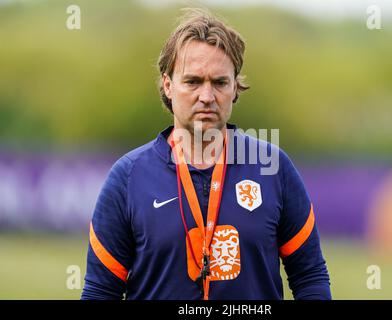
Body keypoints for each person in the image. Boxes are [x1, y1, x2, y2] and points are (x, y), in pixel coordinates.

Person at [81, 8, 331, 300]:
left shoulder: (272, 168)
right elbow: (100, 291)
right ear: (168, 85)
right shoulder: (128, 176)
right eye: (193, 81)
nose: (207, 96)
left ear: (235, 86)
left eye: (220, 82)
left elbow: (310, 275)